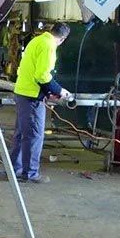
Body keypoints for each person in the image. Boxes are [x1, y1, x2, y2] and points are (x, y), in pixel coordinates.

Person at [9, 23, 72, 183]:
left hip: (22, 92)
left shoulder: (37, 40)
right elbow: (42, 75)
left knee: (21, 134)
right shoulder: (49, 46)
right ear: (62, 39)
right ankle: (30, 174)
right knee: (34, 135)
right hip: (31, 97)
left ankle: (14, 170)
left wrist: (48, 92)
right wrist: (59, 91)